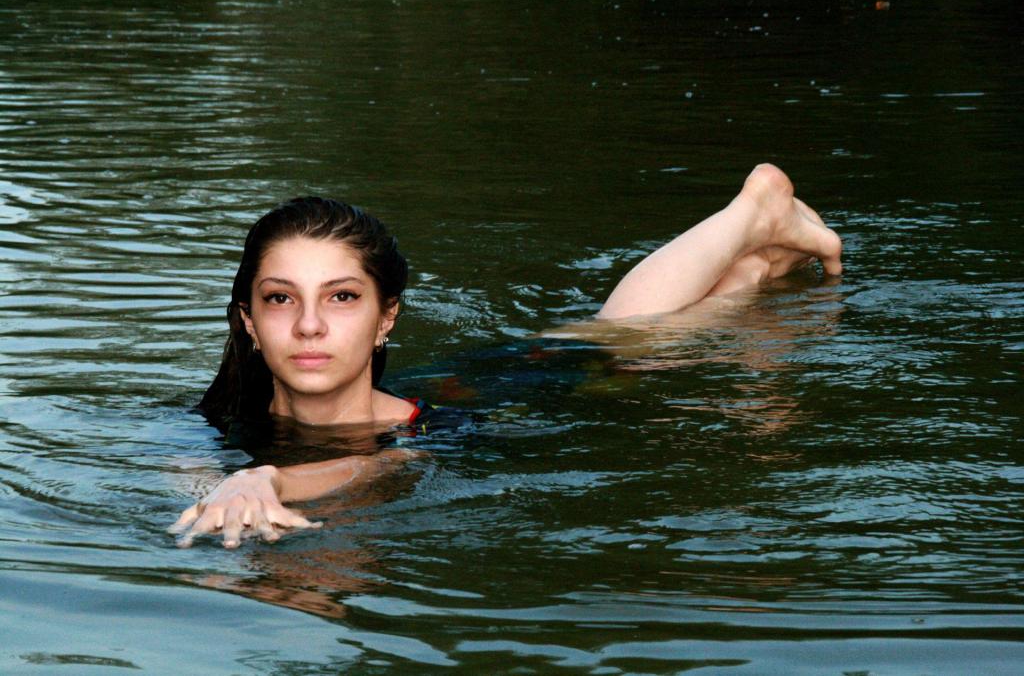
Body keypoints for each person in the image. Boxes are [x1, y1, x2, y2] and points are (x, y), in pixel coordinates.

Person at [169, 163, 842, 548]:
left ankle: (755, 210)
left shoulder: (429, 436)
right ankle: (752, 268)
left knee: (619, 343)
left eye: (342, 298)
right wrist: (223, 482)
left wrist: (270, 479)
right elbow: (189, 483)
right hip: (411, 387)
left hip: (484, 393)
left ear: (385, 319)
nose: (311, 325)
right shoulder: (212, 422)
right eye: (282, 299)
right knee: (620, 335)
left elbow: (367, 472)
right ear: (250, 323)